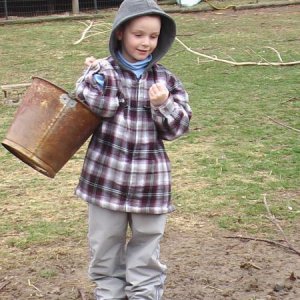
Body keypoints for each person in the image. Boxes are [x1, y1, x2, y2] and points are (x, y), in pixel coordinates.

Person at [75, 0, 192, 299]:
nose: (145, 43)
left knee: (147, 249)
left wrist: (163, 104)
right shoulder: (101, 71)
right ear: (120, 33)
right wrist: (99, 78)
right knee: (104, 247)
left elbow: (178, 129)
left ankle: (144, 295)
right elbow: (96, 106)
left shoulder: (165, 80)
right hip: (105, 178)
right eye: (138, 34)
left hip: (150, 181)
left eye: (153, 36)